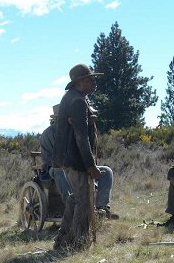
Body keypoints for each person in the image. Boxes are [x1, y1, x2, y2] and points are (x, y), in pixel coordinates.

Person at [53, 63, 103, 251]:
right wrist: (90, 165)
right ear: (79, 82)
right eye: (90, 79)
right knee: (84, 200)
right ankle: (77, 242)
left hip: (69, 157)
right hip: (74, 158)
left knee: (76, 197)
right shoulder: (78, 101)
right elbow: (81, 138)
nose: (94, 82)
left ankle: (62, 239)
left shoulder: (75, 98)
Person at [40, 104, 118, 220]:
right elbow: (55, 159)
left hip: (76, 165)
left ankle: (102, 208)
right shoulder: (49, 133)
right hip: (54, 168)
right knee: (61, 171)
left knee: (106, 171)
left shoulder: (78, 130)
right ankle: (72, 208)